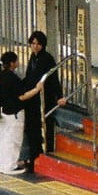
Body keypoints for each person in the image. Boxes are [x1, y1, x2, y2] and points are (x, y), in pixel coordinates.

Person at [19, 29, 63, 174]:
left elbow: (54, 79)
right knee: (32, 128)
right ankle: (33, 156)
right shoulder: (33, 57)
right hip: (32, 97)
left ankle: (39, 156)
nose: (35, 46)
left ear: (43, 45)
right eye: (32, 43)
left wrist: (59, 96)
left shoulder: (46, 59)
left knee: (39, 126)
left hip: (43, 98)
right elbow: (29, 76)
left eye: (38, 44)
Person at [0, 51, 29, 174]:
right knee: (13, 140)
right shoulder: (12, 78)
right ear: (12, 63)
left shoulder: (0, 75)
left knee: (4, 140)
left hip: (2, 113)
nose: (18, 62)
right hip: (14, 114)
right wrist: (37, 89)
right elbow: (22, 96)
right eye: (17, 60)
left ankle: (3, 165)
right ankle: (10, 166)